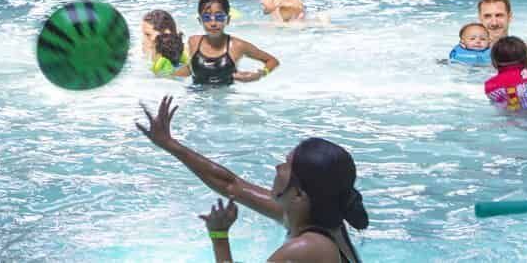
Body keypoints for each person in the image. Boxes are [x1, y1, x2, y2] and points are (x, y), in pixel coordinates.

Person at [137, 96, 368, 263]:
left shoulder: (306, 248)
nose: (278, 168)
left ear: (299, 193)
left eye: (286, 166)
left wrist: (219, 236)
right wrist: (170, 144)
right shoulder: (316, 218)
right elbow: (231, 185)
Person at [187, 0, 279, 86]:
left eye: (219, 17)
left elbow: (272, 61)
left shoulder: (237, 45)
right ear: (200, 20)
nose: (213, 23)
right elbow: (189, 68)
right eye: (207, 18)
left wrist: (260, 74)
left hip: (225, 94)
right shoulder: (193, 42)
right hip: (195, 93)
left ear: (228, 20)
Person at [142, 9, 187, 76]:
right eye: (143, 34)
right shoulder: (146, 53)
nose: (143, 41)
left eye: (148, 35)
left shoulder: (186, 53)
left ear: (165, 34)